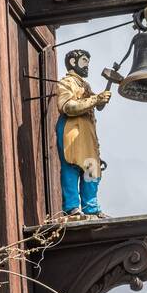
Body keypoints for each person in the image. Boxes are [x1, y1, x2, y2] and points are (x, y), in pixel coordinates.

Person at [55, 48, 111, 219]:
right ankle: (72, 207)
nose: (87, 65)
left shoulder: (85, 86)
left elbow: (97, 105)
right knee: (72, 164)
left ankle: (91, 207)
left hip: (87, 133)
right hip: (72, 130)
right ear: (73, 62)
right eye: (84, 61)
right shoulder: (66, 83)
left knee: (91, 167)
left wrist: (100, 98)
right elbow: (67, 107)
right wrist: (96, 99)